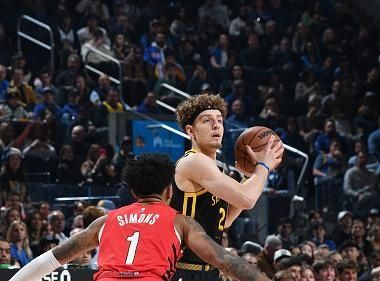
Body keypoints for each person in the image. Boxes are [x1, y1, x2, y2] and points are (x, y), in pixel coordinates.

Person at [9, 154, 270, 281]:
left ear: (133, 191)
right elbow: (224, 260)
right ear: (169, 190)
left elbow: (52, 258)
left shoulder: (105, 221)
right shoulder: (179, 221)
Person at [170, 94, 284, 281]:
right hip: (184, 268)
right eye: (207, 121)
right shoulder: (193, 161)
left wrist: (248, 176)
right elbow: (247, 199)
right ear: (191, 131)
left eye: (220, 121)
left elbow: (224, 222)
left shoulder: (216, 168)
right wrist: (263, 167)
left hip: (209, 268)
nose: (216, 126)